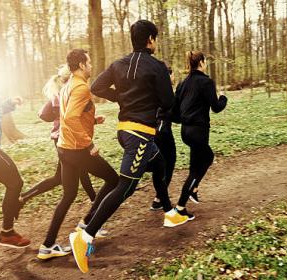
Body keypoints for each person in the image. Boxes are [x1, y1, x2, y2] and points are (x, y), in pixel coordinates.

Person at [69, 20, 188, 274]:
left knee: (160, 164)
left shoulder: (117, 64)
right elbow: (168, 102)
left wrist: (121, 96)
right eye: (155, 38)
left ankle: (169, 212)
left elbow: (97, 87)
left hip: (125, 131)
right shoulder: (156, 67)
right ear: (151, 40)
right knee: (126, 187)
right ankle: (85, 235)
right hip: (140, 135)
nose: (156, 42)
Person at [38, 49, 120, 260]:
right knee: (113, 180)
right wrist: (89, 144)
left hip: (64, 148)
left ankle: (47, 246)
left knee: (69, 195)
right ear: (82, 65)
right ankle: (88, 222)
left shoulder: (67, 86)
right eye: (89, 62)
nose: (92, 66)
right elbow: (72, 118)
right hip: (77, 149)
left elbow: (66, 116)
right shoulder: (82, 87)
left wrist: (92, 120)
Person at [19, 65, 96, 206]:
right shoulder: (65, 94)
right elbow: (67, 118)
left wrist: (94, 121)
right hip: (66, 137)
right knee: (81, 170)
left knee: (60, 178)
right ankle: (95, 201)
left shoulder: (64, 93)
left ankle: (23, 198)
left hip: (63, 137)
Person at [172, 51, 227, 219]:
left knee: (196, 162)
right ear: (202, 63)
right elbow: (216, 107)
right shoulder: (206, 82)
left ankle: (193, 190)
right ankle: (181, 206)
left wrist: (186, 117)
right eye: (205, 62)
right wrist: (223, 98)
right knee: (207, 158)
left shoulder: (183, 83)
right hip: (199, 132)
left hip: (185, 132)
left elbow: (175, 113)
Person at [0, 41, 30, 248]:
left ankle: (7, 231)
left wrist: (10, 103)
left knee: (14, 183)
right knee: (15, 183)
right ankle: (7, 233)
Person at [150, 66, 177, 211]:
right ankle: (159, 198)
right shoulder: (165, 92)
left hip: (158, 131)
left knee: (161, 166)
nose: (173, 78)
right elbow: (168, 111)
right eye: (171, 75)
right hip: (163, 132)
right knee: (169, 163)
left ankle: (158, 199)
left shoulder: (155, 90)